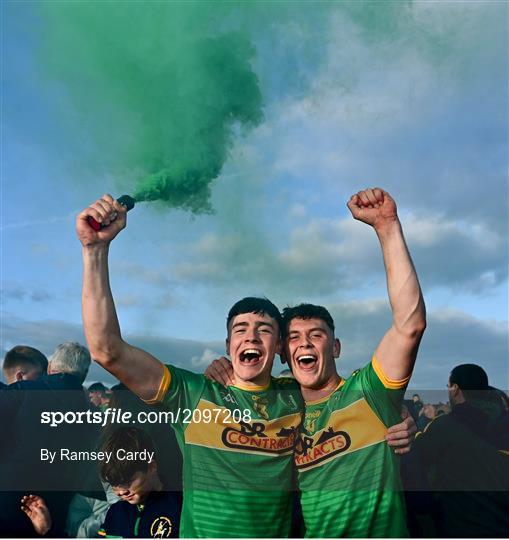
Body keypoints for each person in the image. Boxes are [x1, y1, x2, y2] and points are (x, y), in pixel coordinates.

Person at [77, 191, 415, 538]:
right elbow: (108, 351)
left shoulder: (294, 398)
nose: (251, 337)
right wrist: (95, 251)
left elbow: (390, 348)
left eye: (264, 330)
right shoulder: (193, 396)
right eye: (241, 330)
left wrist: (398, 415)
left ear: (278, 348)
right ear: (229, 345)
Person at [207, 187, 425, 536]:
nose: (305, 343)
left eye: (317, 335)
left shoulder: (369, 391)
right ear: (282, 351)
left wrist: (387, 227)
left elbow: (409, 325)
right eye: (294, 337)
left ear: (335, 347)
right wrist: (220, 370)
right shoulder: (277, 405)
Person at [0, 342, 96, 536]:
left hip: (7, 506)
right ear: (84, 376)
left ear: (51, 367)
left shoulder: (21, 392)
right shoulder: (94, 415)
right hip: (58, 513)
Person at [21, 427, 182, 538]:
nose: (121, 492)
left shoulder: (181, 508)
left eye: (128, 481)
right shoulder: (116, 513)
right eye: (114, 484)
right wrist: (48, 531)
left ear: (151, 466)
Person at [412, 363, 509, 537]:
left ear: (455, 389)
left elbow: (419, 456)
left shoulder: (444, 426)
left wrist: (417, 430)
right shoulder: (503, 420)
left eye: (448, 386)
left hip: (465, 526)